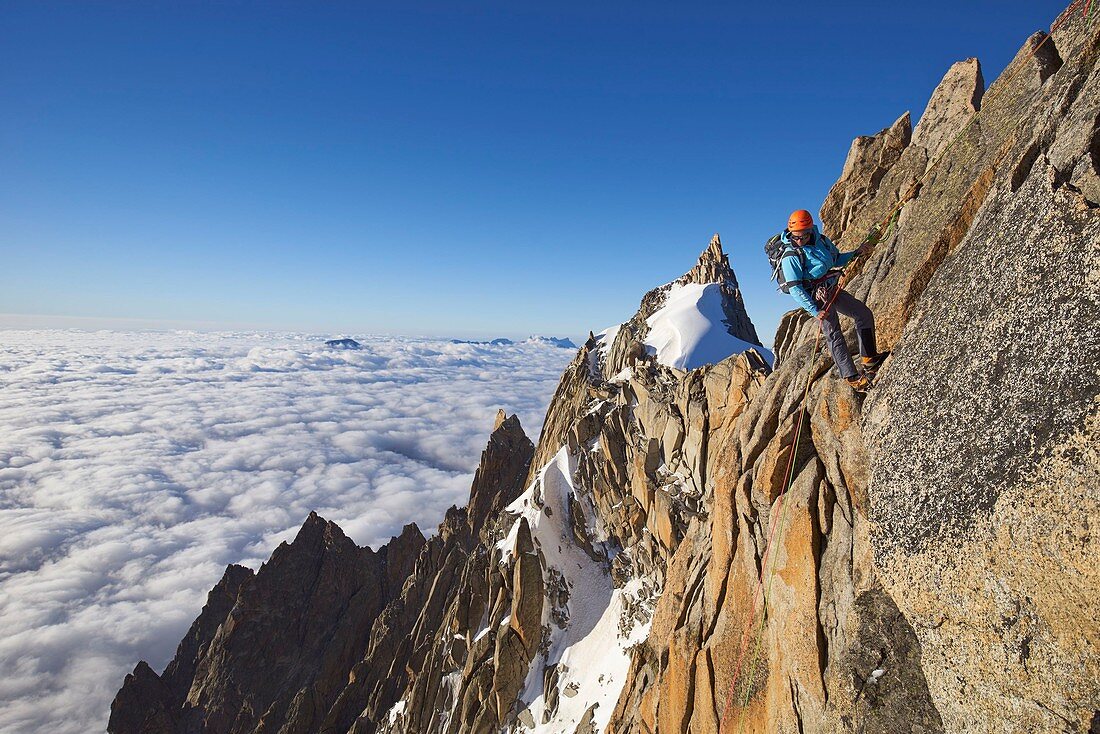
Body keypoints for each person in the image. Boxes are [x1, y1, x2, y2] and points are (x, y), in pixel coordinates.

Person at [778, 209, 887, 392]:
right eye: (794, 237)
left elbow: (836, 259)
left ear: (810, 230)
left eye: (802, 236)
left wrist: (856, 253)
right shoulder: (791, 256)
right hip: (815, 296)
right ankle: (852, 377)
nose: (798, 240)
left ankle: (869, 360)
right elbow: (795, 288)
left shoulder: (821, 241)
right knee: (834, 332)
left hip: (830, 287)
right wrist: (814, 311)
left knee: (863, 314)